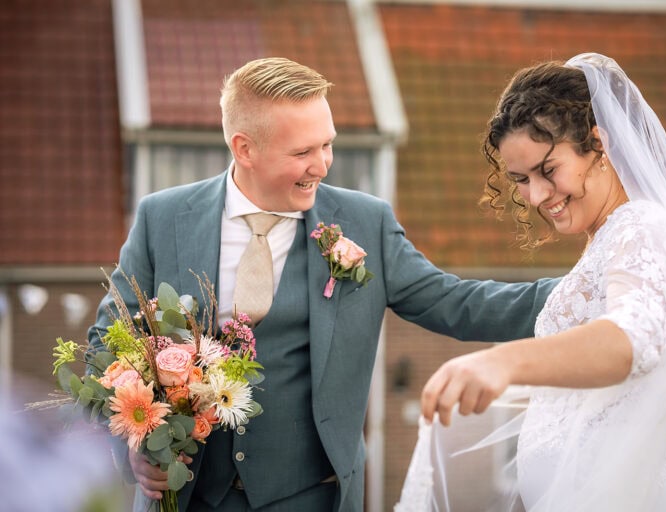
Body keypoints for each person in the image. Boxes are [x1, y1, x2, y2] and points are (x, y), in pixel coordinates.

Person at [86, 57, 557, 512]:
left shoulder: (364, 222)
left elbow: (457, 303)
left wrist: (591, 288)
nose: (324, 164)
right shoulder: (161, 219)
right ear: (244, 148)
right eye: (303, 152)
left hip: (315, 497)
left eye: (327, 144)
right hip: (187, 499)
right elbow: (105, 349)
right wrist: (131, 448)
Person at [397, 53, 666, 511]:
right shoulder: (609, 238)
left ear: (598, 146)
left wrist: (503, 363)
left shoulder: (644, 225)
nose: (537, 196)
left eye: (548, 170)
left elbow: (634, 340)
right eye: (521, 179)